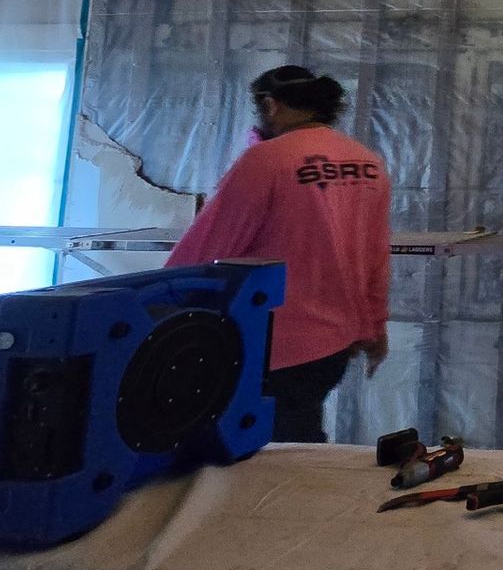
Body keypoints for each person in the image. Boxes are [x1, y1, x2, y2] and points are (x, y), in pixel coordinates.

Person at [166, 65, 392, 443]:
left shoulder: (267, 160)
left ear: (271, 106)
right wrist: (374, 324)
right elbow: (376, 252)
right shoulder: (367, 162)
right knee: (298, 440)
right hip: (335, 343)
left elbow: (207, 248)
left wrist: (161, 309)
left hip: (270, 342)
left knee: (257, 450)